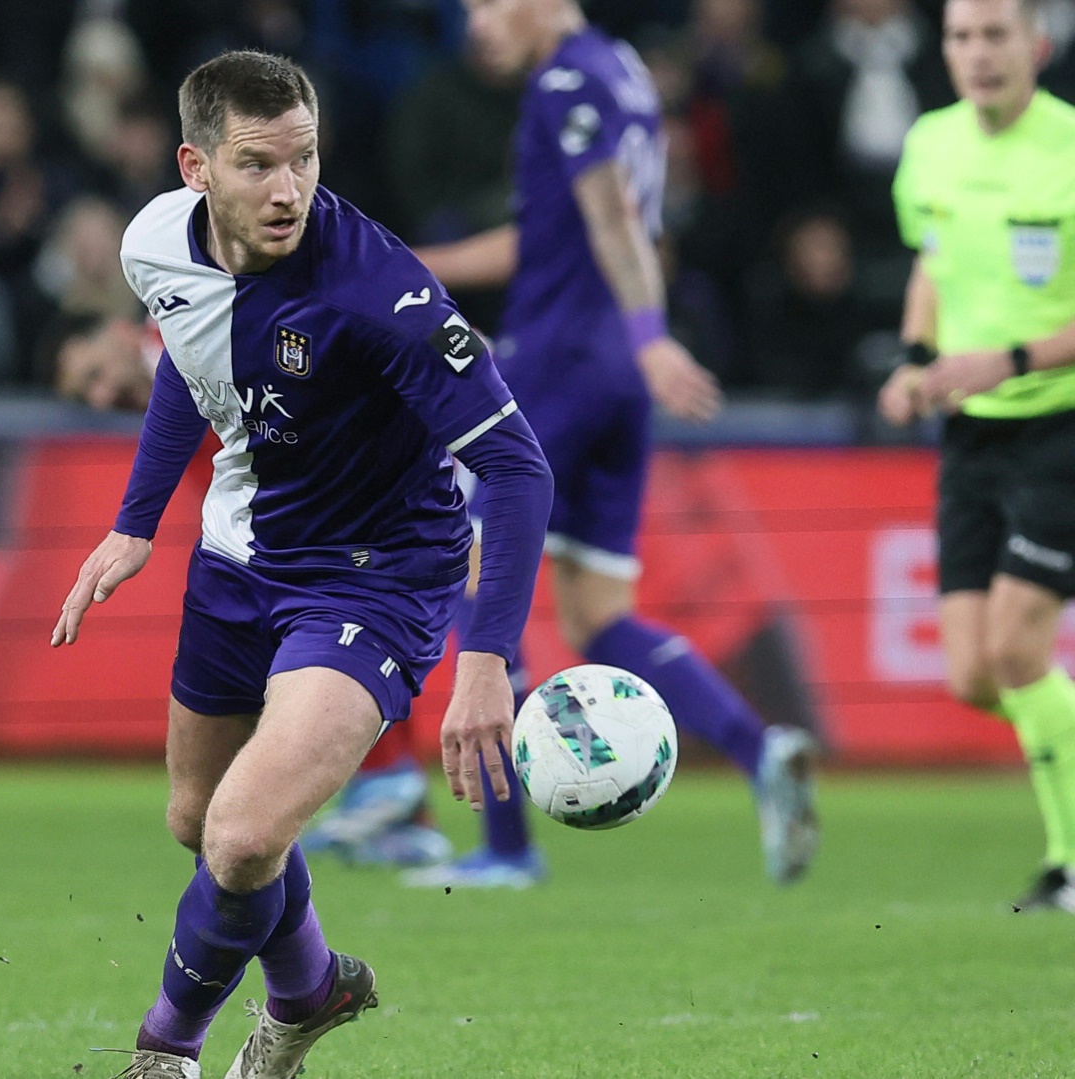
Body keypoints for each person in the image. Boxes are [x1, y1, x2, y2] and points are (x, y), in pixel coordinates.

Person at [53, 51, 552, 1079]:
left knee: (240, 836)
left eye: (304, 159)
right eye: (256, 165)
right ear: (195, 167)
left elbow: (515, 463)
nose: (286, 190)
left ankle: (165, 1050)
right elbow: (195, 363)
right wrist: (136, 520)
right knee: (196, 821)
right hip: (242, 555)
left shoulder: (381, 292)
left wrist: (488, 655)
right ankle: (313, 985)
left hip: (373, 578)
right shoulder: (154, 242)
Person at [406, 0, 820, 889]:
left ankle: (508, 847)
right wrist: (414, 266)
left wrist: (652, 331)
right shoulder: (624, 69)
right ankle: (759, 744)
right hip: (614, 379)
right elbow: (553, 235)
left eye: (485, 2)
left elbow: (611, 215)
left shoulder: (562, 82)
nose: (475, 23)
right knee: (598, 612)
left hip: (558, 361)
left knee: (476, 577)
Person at [876, 0, 1075, 912]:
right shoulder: (931, 145)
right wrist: (916, 363)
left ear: (1037, 44)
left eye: (997, 34)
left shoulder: (1068, 146)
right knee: (972, 673)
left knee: (1016, 644)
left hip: (1059, 422)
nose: (978, 54)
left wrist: (1013, 358)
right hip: (970, 431)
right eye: (962, 36)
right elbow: (933, 262)